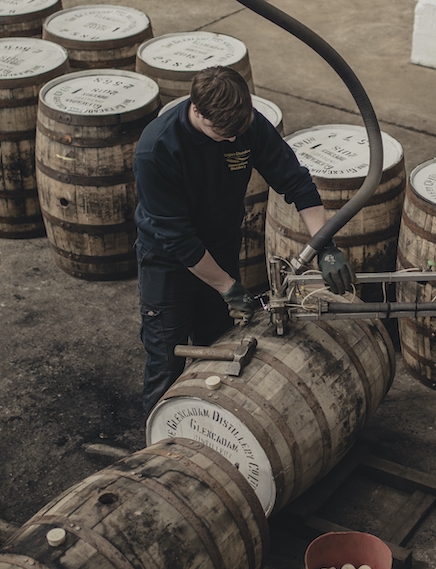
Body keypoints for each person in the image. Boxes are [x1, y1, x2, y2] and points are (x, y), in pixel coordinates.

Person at [133, 65, 355, 416]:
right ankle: (155, 452)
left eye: (239, 132)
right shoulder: (157, 150)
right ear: (197, 110)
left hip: (221, 247)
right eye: (224, 134)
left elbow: (296, 183)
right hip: (168, 262)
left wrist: (325, 244)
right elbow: (179, 239)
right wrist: (229, 288)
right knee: (166, 360)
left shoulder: (244, 125)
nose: (235, 141)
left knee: (219, 351)